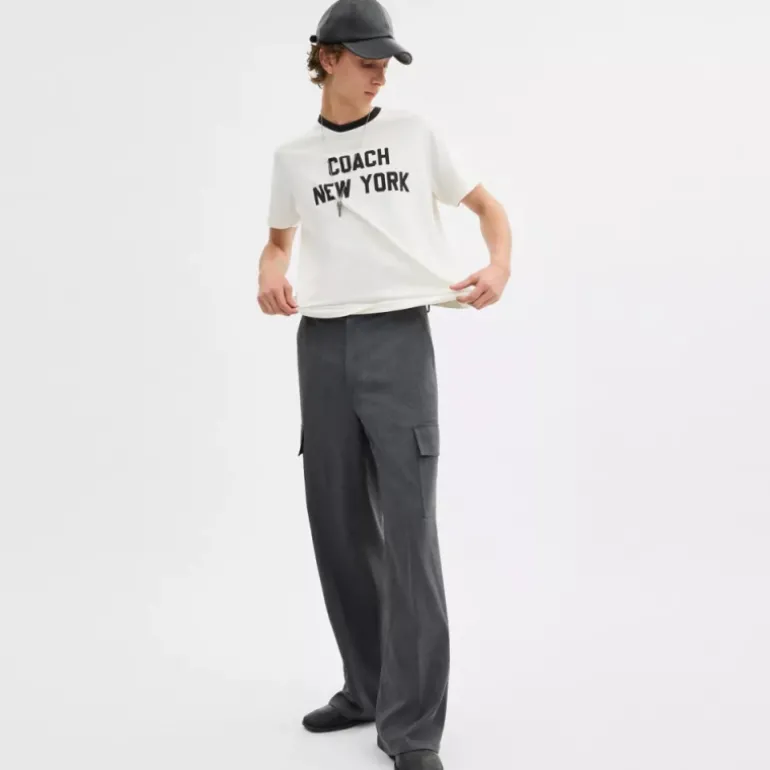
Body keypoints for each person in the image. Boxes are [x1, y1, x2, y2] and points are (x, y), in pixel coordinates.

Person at [257, 1, 512, 767]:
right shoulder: (292, 158)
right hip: (322, 343)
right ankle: (365, 688)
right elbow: (278, 243)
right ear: (326, 58)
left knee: (408, 534)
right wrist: (269, 272)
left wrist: (499, 264)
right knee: (337, 525)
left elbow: (488, 208)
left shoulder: (414, 134)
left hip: (398, 338)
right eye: (367, 62)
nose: (379, 77)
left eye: (386, 64)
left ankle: (413, 728)